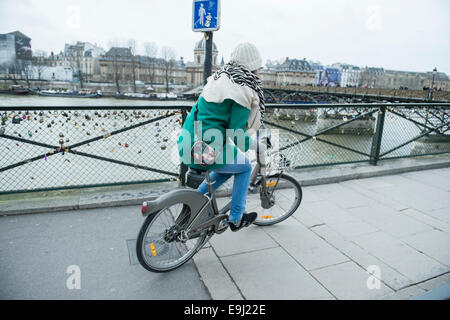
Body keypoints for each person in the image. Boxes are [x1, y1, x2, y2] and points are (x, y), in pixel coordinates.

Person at [177, 42, 265, 232]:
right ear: (253, 67)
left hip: (188, 142)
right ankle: (236, 218)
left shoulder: (218, 78)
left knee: (229, 164)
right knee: (244, 167)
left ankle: (194, 203)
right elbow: (237, 134)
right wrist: (258, 146)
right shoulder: (242, 90)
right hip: (207, 149)